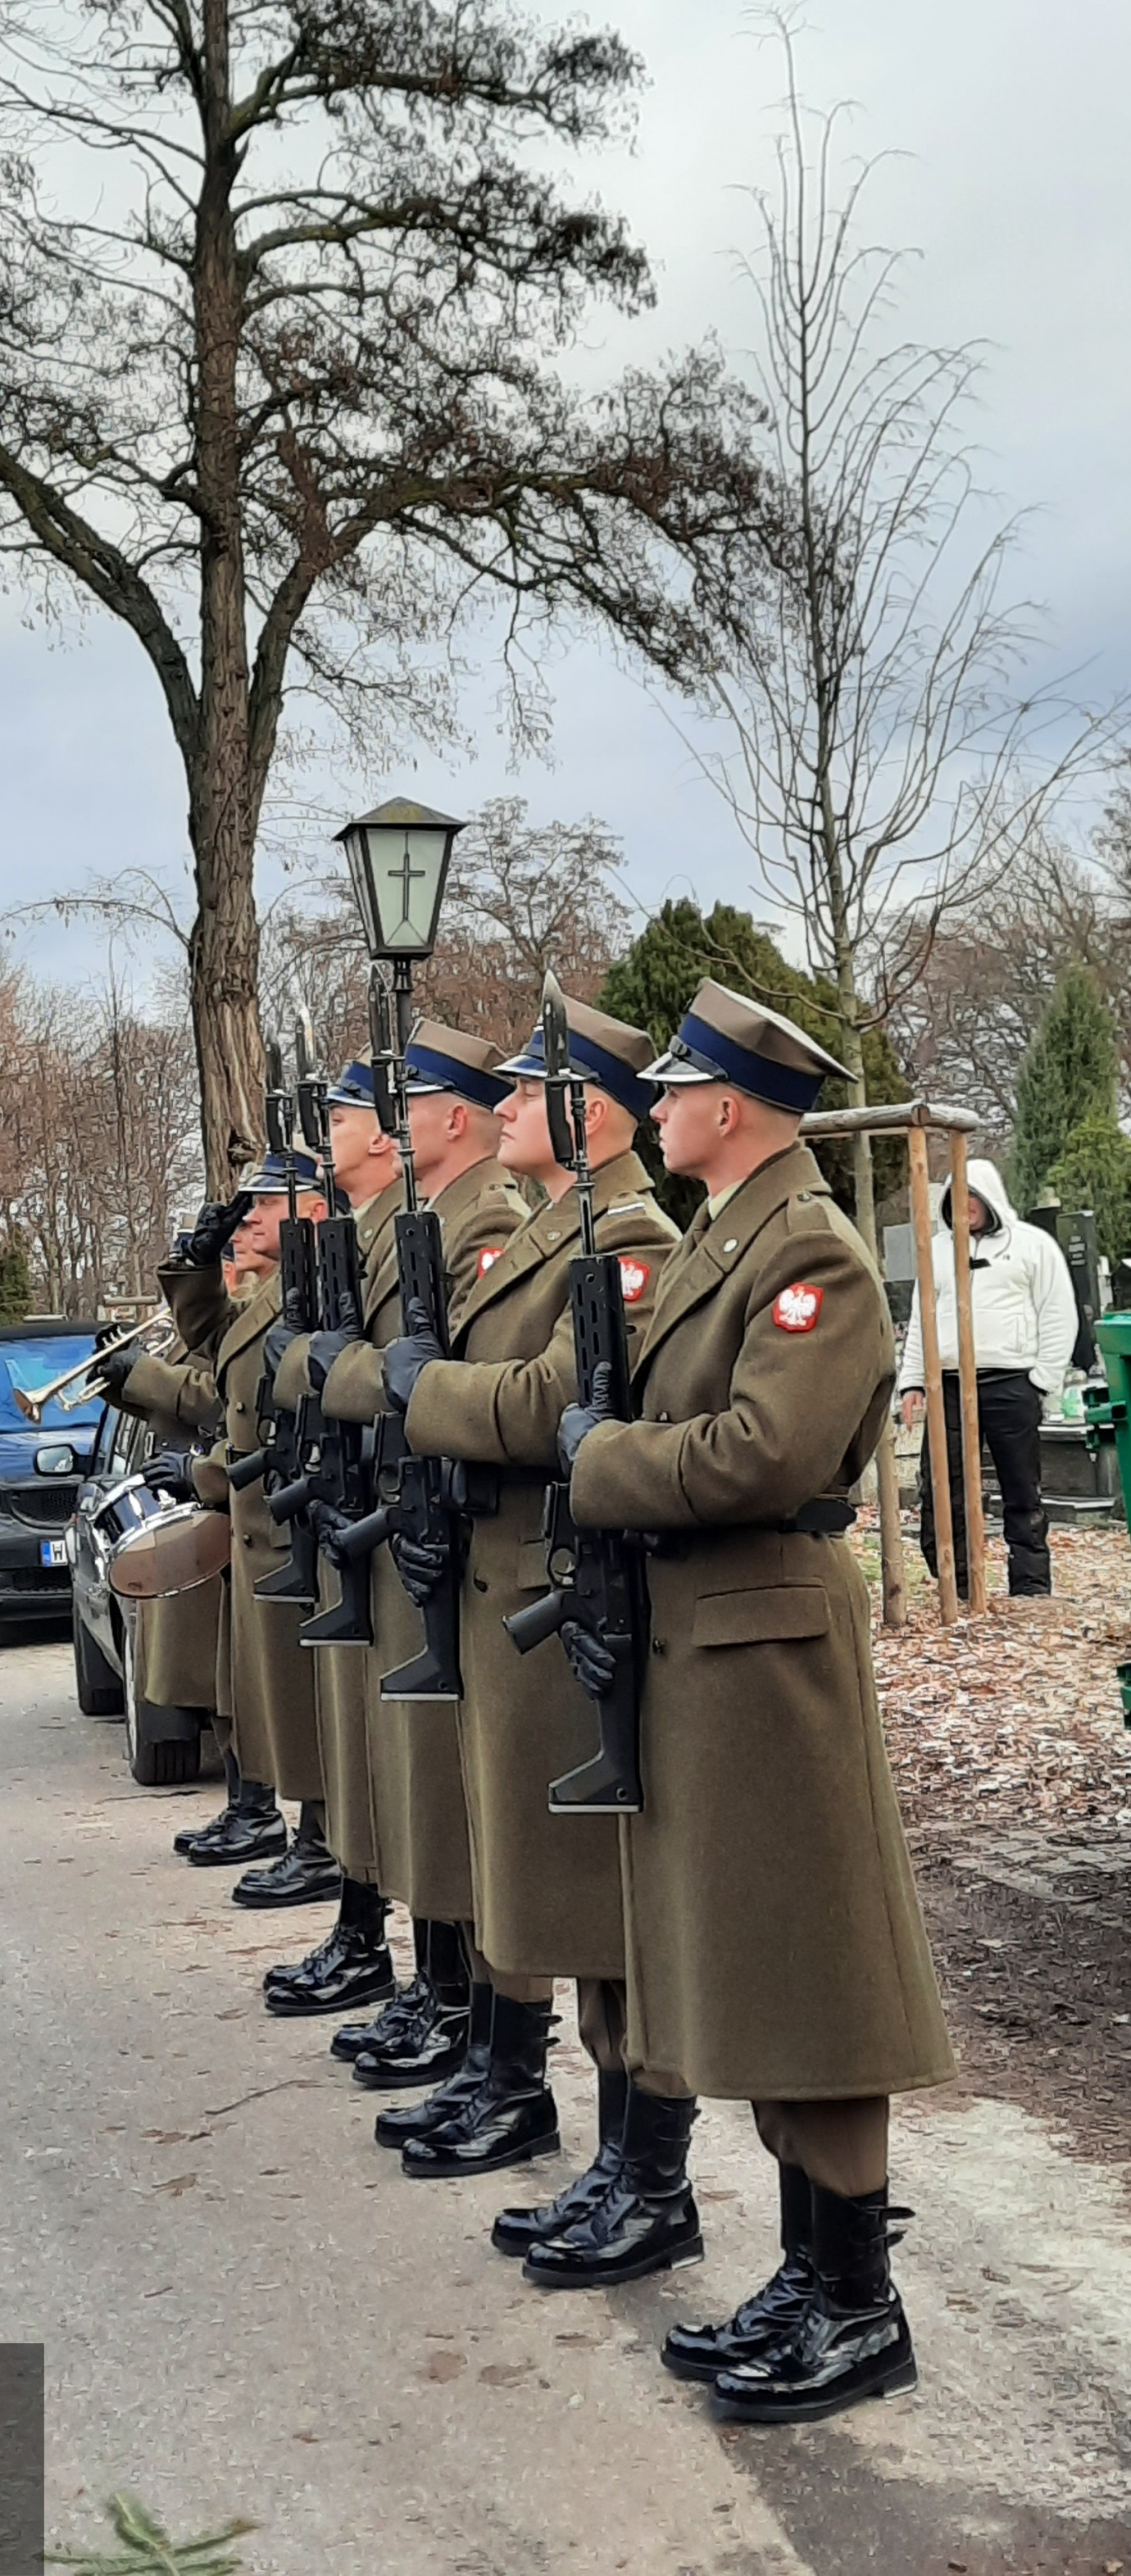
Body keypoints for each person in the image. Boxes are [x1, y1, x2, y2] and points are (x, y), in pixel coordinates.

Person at [562, 979, 953, 2424]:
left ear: (730, 1106)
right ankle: (812, 2269)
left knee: (818, 1973)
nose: (652, 1109)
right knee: (768, 1964)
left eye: (673, 1090)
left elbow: (761, 1454)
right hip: (713, 1644)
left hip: (771, 1647)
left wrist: (599, 1458)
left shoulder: (815, 1257)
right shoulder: (736, 1236)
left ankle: (860, 2300)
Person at [370, 999, 684, 2261]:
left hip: (570, 1585)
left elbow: (562, 1395)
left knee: (598, 1896)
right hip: (514, 1576)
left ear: (587, 1109)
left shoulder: (627, 1235)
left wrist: (425, 1389)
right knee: (523, 1859)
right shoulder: (548, 1229)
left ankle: (637, 2162)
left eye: (524, 1092)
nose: (503, 1110)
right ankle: (546, 2104)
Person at [261, 1026, 528, 2034]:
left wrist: (335, 1370)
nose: (367, 1127)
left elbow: (422, 1369)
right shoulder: (406, 1222)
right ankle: (429, 1979)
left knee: (437, 1778)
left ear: (449, 1117)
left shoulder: (480, 1222)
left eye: (390, 1108)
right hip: (380, 1513)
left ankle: (464, 2008)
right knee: (397, 1767)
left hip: (445, 1523)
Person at [177, 1160, 338, 1904]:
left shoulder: (312, 1283)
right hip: (259, 1526)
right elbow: (217, 1347)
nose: (245, 1219)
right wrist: (195, 1264)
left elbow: (217, 1391)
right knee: (271, 1699)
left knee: (306, 1708)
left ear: (310, 1204)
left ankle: (320, 1845)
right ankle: (303, 1835)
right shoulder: (266, 1291)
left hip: (289, 1520)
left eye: (264, 1203)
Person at [105, 1197, 259, 1859]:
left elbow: (220, 1401)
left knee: (246, 1680)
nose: (241, 1237)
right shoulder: (240, 1308)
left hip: (238, 1502)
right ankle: (244, 1802)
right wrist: (125, 1384)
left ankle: (260, 1810)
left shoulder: (266, 1306)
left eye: (255, 1222)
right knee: (221, 1679)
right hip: (214, 1499)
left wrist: (144, 1375)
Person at [897, 1157, 1077, 1599]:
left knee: (1021, 1486)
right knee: (942, 1485)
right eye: (957, 1198)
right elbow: (922, 1320)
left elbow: (1057, 1313)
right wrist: (913, 1381)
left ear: (989, 1198)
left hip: (1011, 1382)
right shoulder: (935, 1251)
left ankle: (1030, 1585)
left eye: (973, 1197)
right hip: (950, 1385)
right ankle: (955, 1583)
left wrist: (1042, 1380)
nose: (966, 1207)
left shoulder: (1033, 1246)